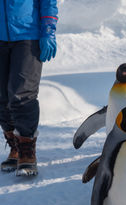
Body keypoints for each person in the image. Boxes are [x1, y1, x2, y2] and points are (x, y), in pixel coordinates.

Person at [0, 0, 58, 176]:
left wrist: (48, 30)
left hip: (27, 34)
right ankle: (14, 146)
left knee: (22, 95)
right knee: (1, 96)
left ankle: (26, 150)